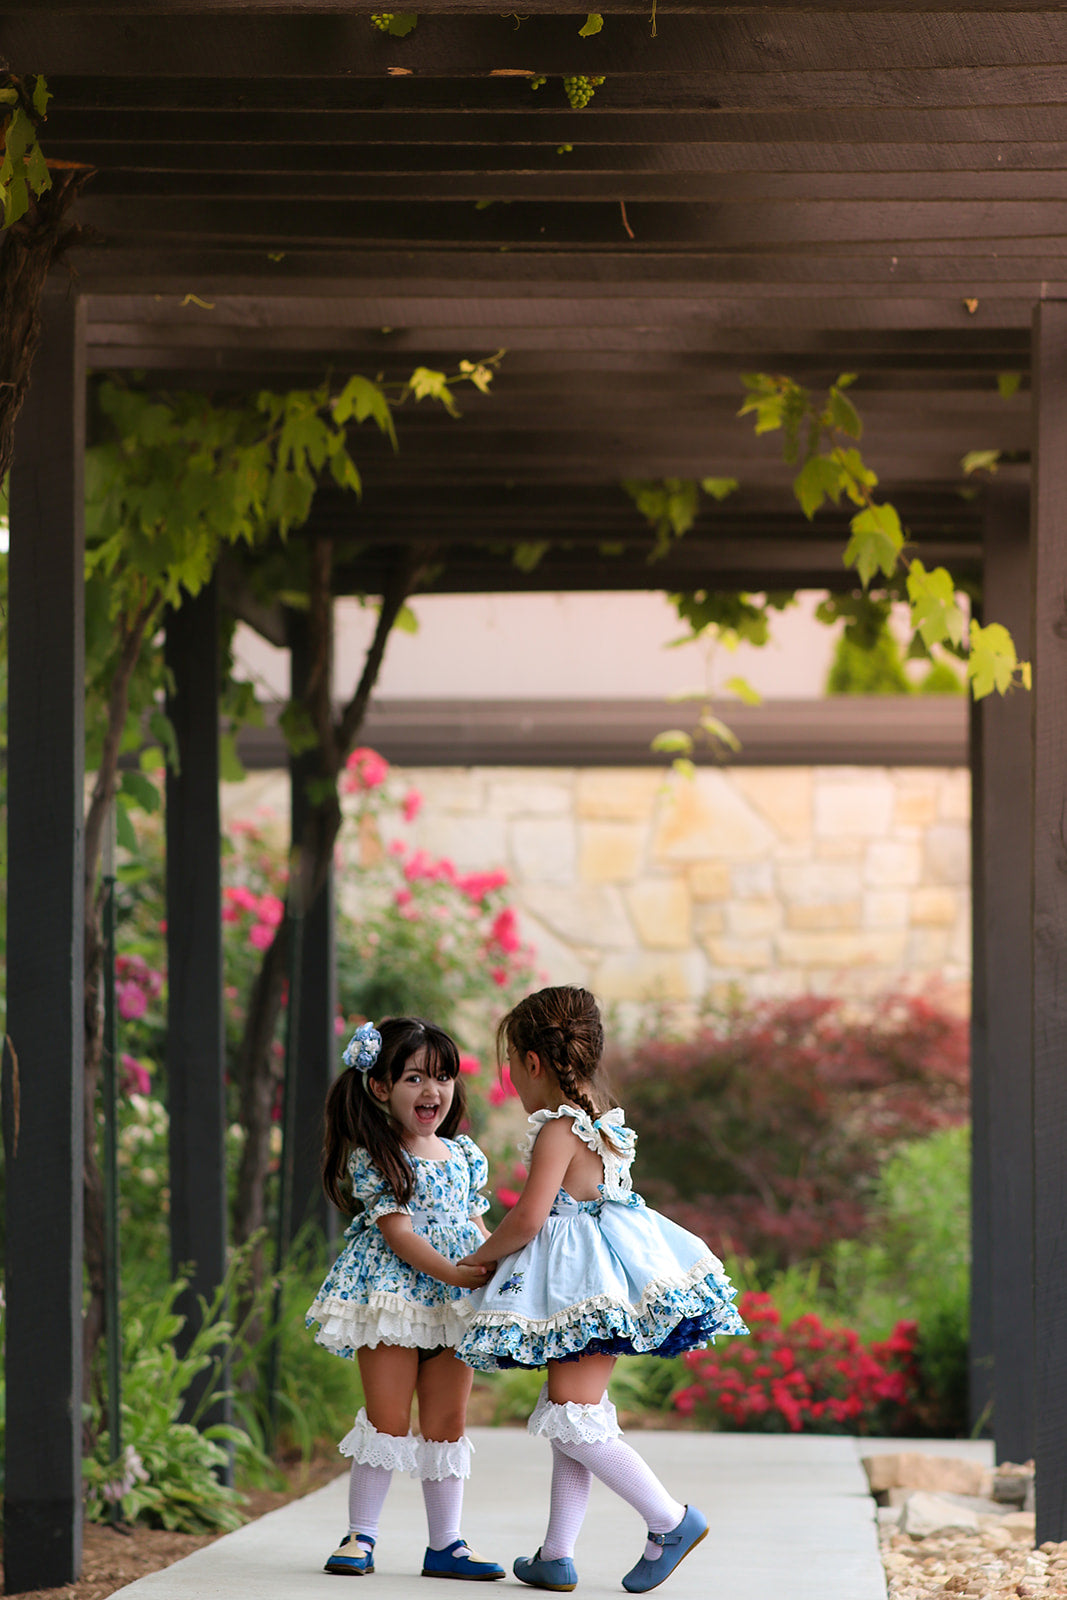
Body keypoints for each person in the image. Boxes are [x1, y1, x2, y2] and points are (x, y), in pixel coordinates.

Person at [455, 985, 748, 1595]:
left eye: (511, 1063)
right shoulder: (603, 1125)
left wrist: (477, 1259)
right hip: (606, 1288)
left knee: (572, 1417)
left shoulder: (557, 1130)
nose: (511, 1076)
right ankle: (556, 1555)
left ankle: (669, 1521)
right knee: (575, 1415)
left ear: (532, 1062)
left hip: (580, 1289)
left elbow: (531, 1217)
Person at [306, 1016, 505, 1582]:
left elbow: (476, 1221)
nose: (432, 1091)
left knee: (447, 1421)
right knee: (387, 1418)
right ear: (379, 1087)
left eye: (443, 1077)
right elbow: (399, 1233)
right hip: (393, 1297)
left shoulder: (463, 1155)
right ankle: (360, 1535)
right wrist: (456, 1272)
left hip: (454, 1304)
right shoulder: (377, 1154)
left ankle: (446, 1544)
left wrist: (497, 1267)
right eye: (415, 1078)